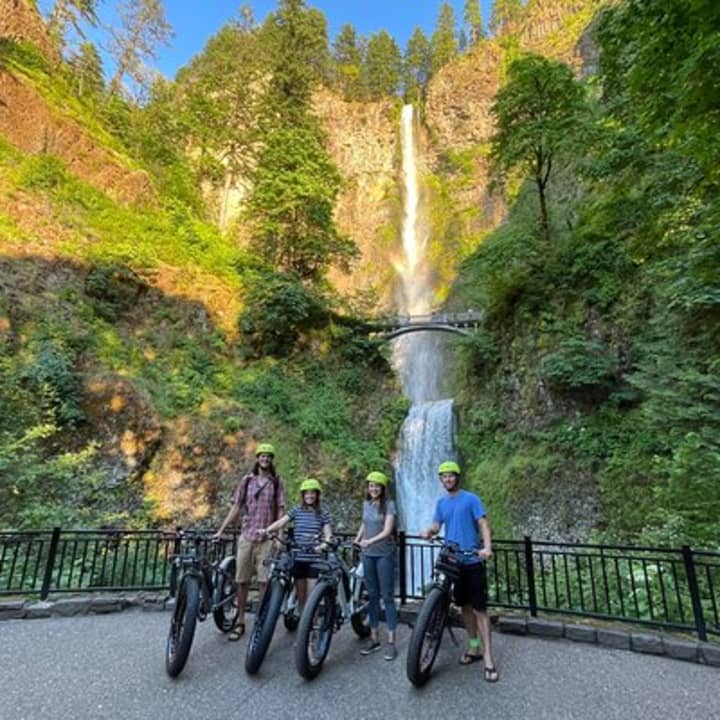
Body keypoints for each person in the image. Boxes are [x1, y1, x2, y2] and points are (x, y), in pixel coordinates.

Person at [420, 461, 498, 682]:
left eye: (451, 475)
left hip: (472, 560)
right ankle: (473, 646)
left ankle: (488, 658)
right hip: (452, 561)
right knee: (464, 606)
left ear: (457, 477)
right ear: (441, 480)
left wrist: (487, 548)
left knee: (480, 609)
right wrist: (429, 531)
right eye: (444, 476)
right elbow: (437, 525)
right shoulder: (441, 503)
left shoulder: (471, 499)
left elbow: (483, 524)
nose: (448, 479)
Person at [214, 442, 285, 641]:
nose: (265, 459)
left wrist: (279, 535)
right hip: (247, 536)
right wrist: (221, 529)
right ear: (257, 458)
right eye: (262, 456)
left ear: (271, 460)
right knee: (242, 581)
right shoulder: (247, 481)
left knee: (264, 582)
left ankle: (261, 621)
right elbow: (236, 507)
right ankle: (240, 621)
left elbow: (280, 510)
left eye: (268, 456)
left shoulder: (276, 482)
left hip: (266, 538)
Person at [262, 478, 332, 614]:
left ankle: (311, 624)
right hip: (298, 558)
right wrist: (267, 530)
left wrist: (323, 546)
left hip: (314, 559)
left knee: (312, 600)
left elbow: (328, 535)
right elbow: (281, 522)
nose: (309, 496)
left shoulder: (323, 514)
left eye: (312, 493)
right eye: (307, 493)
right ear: (303, 495)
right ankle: (301, 624)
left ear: (317, 495)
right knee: (301, 598)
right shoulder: (297, 510)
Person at [353, 471, 399, 661]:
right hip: (368, 555)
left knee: (387, 597)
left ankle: (391, 642)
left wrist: (369, 541)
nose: (373, 489)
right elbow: (364, 524)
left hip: (384, 554)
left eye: (377, 486)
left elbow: (388, 530)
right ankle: (374, 638)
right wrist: (357, 539)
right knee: (372, 596)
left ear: (382, 488)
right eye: (371, 485)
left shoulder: (389, 505)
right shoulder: (366, 504)